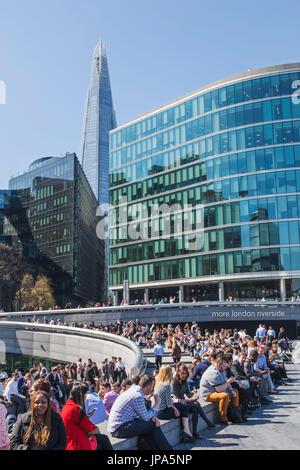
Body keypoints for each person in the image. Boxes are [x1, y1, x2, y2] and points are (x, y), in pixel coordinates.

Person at [107, 374, 173, 450]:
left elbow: (143, 414)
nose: (153, 389)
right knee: (152, 425)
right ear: (148, 386)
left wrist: (153, 417)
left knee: (149, 426)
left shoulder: (134, 389)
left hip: (118, 425)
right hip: (119, 428)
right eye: (152, 386)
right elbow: (145, 418)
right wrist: (157, 405)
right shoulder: (138, 396)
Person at [171, 363, 215, 438]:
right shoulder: (174, 382)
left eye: (185, 373)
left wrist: (193, 392)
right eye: (182, 373)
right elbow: (175, 399)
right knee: (196, 404)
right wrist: (190, 400)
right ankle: (207, 422)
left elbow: (188, 395)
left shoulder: (185, 381)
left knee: (195, 408)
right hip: (176, 405)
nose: (184, 375)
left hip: (183, 403)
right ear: (178, 372)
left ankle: (195, 433)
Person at [154, 365, 194, 443]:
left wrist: (174, 407)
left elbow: (167, 401)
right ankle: (186, 431)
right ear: (168, 374)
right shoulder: (167, 385)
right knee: (184, 406)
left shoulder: (158, 383)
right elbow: (169, 404)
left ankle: (186, 432)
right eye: (171, 372)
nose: (172, 374)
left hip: (157, 412)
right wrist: (175, 409)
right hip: (163, 412)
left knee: (182, 407)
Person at [200, 353, 239, 425]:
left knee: (235, 391)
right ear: (218, 364)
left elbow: (225, 382)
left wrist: (231, 390)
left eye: (227, 365)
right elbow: (219, 389)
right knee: (224, 396)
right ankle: (223, 418)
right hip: (209, 394)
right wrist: (228, 382)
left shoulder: (222, 370)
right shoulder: (212, 372)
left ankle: (236, 414)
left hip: (219, 390)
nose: (226, 367)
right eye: (225, 365)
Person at [61, 383, 98, 450]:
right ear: (81, 395)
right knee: (103, 439)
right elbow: (90, 427)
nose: (86, 398)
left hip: (68, 441)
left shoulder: (67, 406)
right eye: (85, 395)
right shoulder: (75, 409)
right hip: (77, 444)